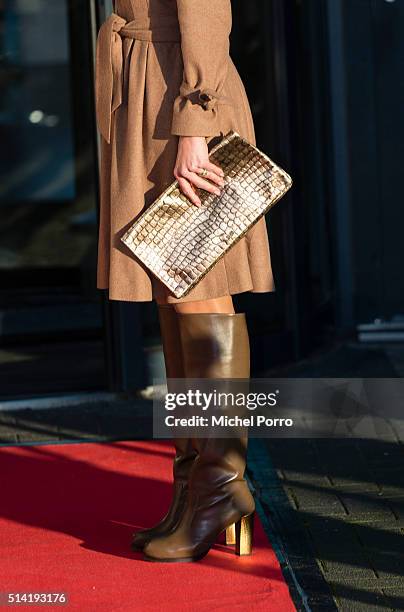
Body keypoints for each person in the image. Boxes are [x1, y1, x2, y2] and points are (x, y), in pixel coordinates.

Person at [95, 0, 275, 562]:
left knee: (194, 284)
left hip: (180, 96)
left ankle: (220, 488)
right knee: (171, 288)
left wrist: (195, 124)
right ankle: (193, 488)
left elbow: (206, 13)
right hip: (148, 89)